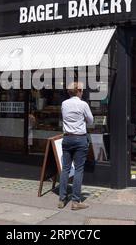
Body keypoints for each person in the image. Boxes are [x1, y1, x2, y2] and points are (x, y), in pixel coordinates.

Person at [58, 82, 94, 211]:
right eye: (82, 90)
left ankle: (62, 199)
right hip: (79, 138)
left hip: (67, 138)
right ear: (78, 90)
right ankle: (75, 201)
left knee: (65, 169)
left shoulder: (64, 104)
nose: (83, 91)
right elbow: (91, 120)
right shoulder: (83, 104)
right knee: (78, 169)